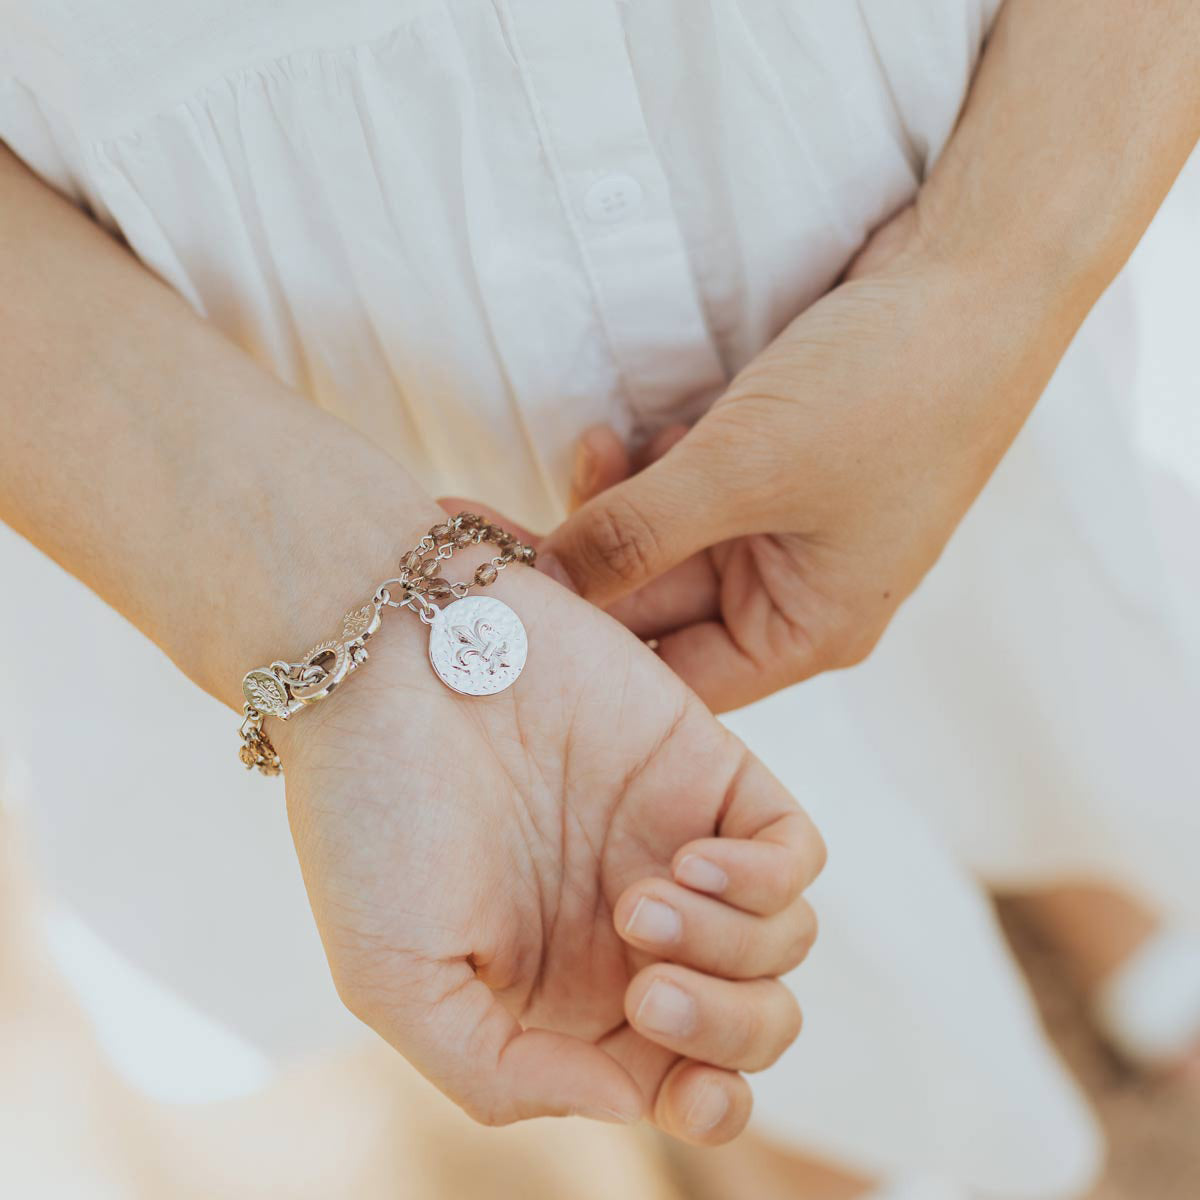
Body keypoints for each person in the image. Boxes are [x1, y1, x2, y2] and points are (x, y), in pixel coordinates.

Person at [1, 1, 1198, 1197]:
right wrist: (303, 580)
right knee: (661, 913)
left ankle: (1093, 870)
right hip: (190, 384)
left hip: (968, 124)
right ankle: (843, 1110)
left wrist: (996, 280)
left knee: (1029, 628)